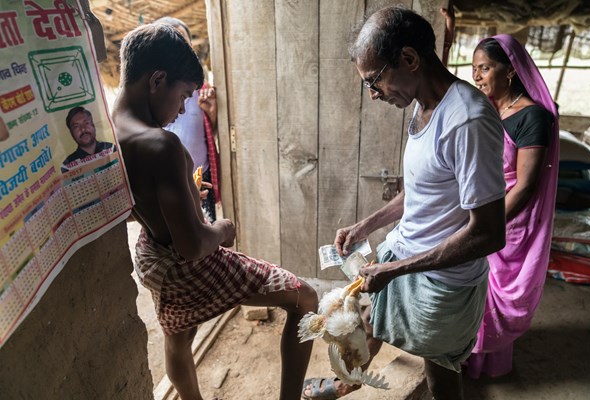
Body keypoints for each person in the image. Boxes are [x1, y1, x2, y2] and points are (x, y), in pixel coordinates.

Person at [303, 7, 506, 400]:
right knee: (368, 319)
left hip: (441, 280)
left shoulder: (468, 121)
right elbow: (420, 189)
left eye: (374, 80)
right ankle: (348, 380)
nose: (374, 94)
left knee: (439, 367)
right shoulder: (423, 105)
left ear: (409, 59)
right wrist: (365, 226)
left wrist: (397, 269)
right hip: (407, 255)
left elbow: (488, 233)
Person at [112, 24, 318, 400]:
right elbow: (192, 245)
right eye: (184, 95)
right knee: (305, 298)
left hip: (152, 255)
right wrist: (224, 228)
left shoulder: (110, 129)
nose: (184, 107)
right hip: (184, 261)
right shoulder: (160, 144)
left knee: (177, 335)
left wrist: (187, 192)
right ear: (158, 80)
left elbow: (135, 203)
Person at [466, 34, 559, 378]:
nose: (477, 76)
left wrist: (485, 227)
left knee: (491, 296)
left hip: (508, 222)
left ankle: (484, 364)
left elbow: (525, 185)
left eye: (485, 68)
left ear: (510, 71)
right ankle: (463, 354)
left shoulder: (532, 118)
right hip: (482, 212)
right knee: (472, 291)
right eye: (474, 69)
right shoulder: (487, 110)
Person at [153, 17, 220, 222]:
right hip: (168, 180)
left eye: (184, 44)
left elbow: (211, 134)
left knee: (204, 228)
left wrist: (212, 112)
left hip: (202, 175)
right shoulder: (153, 91)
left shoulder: (203, 91)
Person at [61, 106, 116, 172]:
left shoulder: (112, 149)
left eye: (86, 123)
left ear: (93, 125)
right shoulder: (67, 166)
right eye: (76, 126)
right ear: (71, 133)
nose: (83, 129)